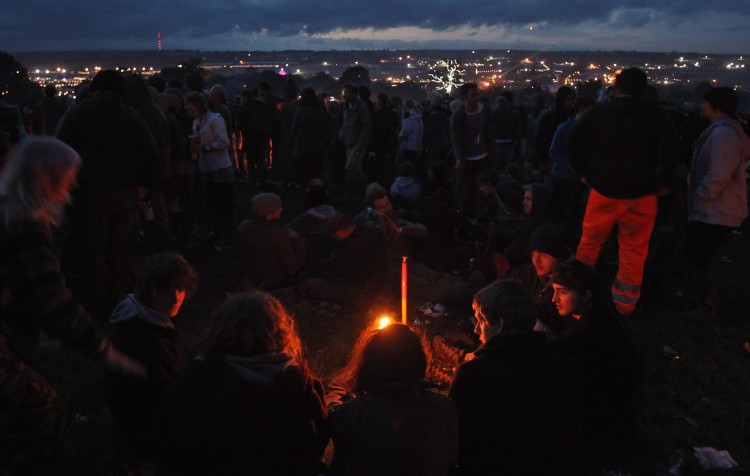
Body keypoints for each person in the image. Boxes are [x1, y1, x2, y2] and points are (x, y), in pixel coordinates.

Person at [0, 137, 143, 472]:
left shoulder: (7, 211)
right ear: (46, 179)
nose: (73, 186)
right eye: (67, 178)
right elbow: (52, 298)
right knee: (39, 405)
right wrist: (102, 348)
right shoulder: (25, 226)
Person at [160, 292, 327, 475]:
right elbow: (315, 447)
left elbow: (171, 451)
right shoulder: (301, 388)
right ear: (280, 331)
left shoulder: (194, 387)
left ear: (220, 330)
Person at [567, 67, 678, 315]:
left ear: (616, 87)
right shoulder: (657, 115)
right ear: (644, 87)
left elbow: (572, 143)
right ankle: (624, 305)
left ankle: (574, 299)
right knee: (634, 251)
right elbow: (670, 150)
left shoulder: (599, 113)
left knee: (589, 246)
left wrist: (585, 174)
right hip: (642, 195)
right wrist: (664, 183)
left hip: (604, 192)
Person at [449, 279, 585, 476]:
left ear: (500, 325)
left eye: (480, 320)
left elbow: (456, 437)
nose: (476, 330)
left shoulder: (473, 375)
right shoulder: (566, 367)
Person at [56, 69, 161, 315]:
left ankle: (90, 307)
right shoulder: (130, 116)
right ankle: (119, 303)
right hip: (124, 193)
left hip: (88, 195)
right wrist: (145, 184)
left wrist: (66, 187)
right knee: (121, 251)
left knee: (90, 251)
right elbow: (152, 154)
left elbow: (59, 151)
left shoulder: (77, 114)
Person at [327, 323, 458, 475]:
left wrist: (337, 389)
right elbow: (452, 457)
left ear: (370, 363)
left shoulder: (352, 414)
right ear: (419, 360)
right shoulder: (443, 408)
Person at [105, 251, 198, 458]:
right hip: (151, 431)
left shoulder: (142, 317)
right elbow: (171, 392)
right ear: (151, 290)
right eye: (167, 290)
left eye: (180, 289)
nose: (176, 298)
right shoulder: (147, 339)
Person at [683, 87, 750, 318]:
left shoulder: (725, 135)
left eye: (705, 103)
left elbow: (720, 171)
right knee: (698, 253)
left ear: (716, 107)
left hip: (717, 208)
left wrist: (702, 193)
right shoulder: (724, 132)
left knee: (699, 254)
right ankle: (703, 300)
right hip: (715, 207)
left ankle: (706, 304)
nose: (701, 107)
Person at [185, 90, 235, 244]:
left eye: (189, 105)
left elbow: (224, 142)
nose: (186, 108)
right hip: (207, 169)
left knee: (223, 204)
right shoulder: (197, 122)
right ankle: (218, 233)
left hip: (221, 168)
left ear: (197, 105)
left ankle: (227, 236)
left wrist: (204, 148)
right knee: (214, 204)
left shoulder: (215, 119)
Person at [232, 192, 305, 293]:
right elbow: (292, 267)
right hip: (273, 282)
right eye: (278, 208)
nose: (281, 209)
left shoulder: (243, 226)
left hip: (250, 275)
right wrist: (297, 241)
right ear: (269, 216)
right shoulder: (278, 236)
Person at [451, 83, 494, 217]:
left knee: (482, 189)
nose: (476, 97)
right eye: (473, 95)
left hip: (484, 156)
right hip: (468, 159)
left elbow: (490, 130)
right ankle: (467, 215)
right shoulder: (459, 115)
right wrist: (459, 158)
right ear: (465, 97)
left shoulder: (485, 109)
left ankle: (481, 215)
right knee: (467, 189)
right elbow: (456, 138)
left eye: (477, 94)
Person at [340, 84, 372, 201]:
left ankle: (350, 195)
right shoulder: (346, 106)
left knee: (350, 168)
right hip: (349, 142)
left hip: (357, 143)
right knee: (355, 170)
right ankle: (365, 193)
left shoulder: (361, 106)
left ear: (354, 94)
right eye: (345, 92)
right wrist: (342, 132)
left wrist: (361, 144)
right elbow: (345, 123)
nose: (345, 95)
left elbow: (366, 126)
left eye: (348, 92)